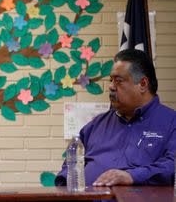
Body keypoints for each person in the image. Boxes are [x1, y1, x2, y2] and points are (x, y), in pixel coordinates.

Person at [55, 49, 176, 186]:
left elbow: (172, 166)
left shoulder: (171, 122)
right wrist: (65, 184)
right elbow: (71, 162)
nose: (111, 87)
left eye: (118, 81)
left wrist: (132, 176)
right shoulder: (96, 125)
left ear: (142, 84)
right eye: (111, 80)